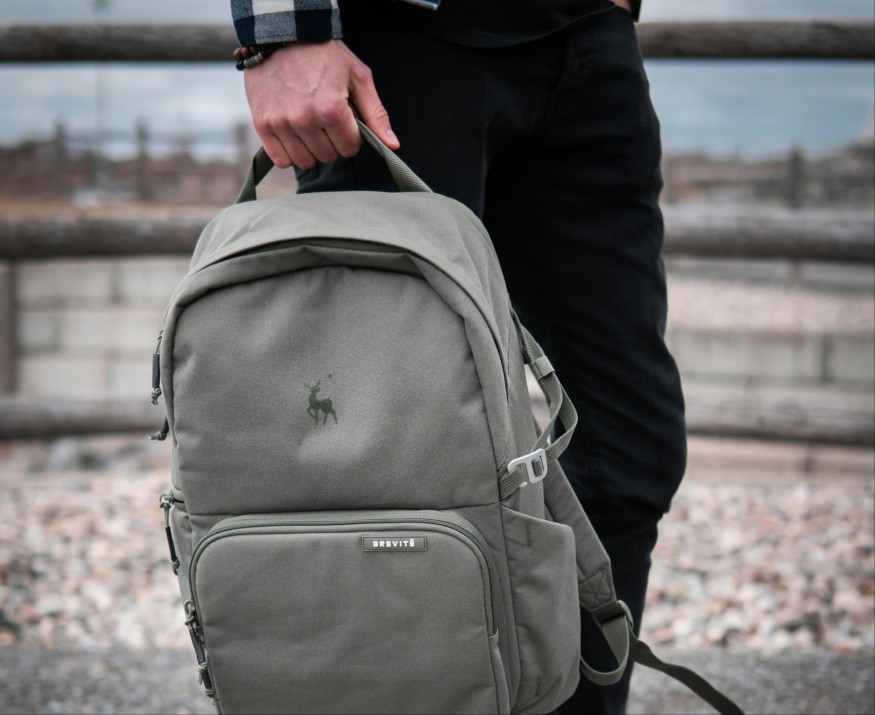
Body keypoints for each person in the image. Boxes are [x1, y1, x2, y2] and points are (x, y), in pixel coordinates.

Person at [232, 1, 686, 712]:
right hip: (401, 42)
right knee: (386, 475)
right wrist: (281, 31)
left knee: (624, 457)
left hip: (590, 34)